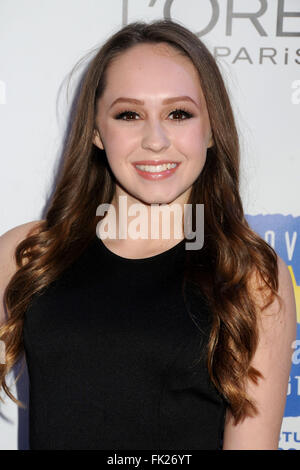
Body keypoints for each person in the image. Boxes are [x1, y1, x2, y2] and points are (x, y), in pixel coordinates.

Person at [0, 19, 296, 450]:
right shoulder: (29, 254)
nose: (155, 140)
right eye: (129, 114)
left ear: (211, 129)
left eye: (179, 113)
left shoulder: (251, 276)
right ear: (97, 132)